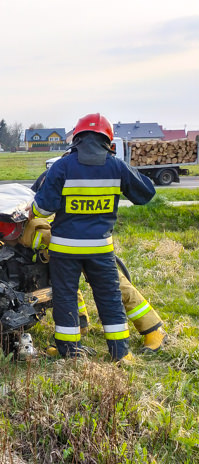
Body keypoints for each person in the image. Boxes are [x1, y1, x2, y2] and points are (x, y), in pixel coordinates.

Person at [31, 113, 156, 361]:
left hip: (65, 250)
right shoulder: (116, 166)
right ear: (107, 140)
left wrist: (33, 209)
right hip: (100, 249)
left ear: (76, 138)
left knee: (65, 297)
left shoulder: (62, 166)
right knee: (109, 297)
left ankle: (68, 351)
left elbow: (43, 209)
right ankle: (120, 353)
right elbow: (146, 194)